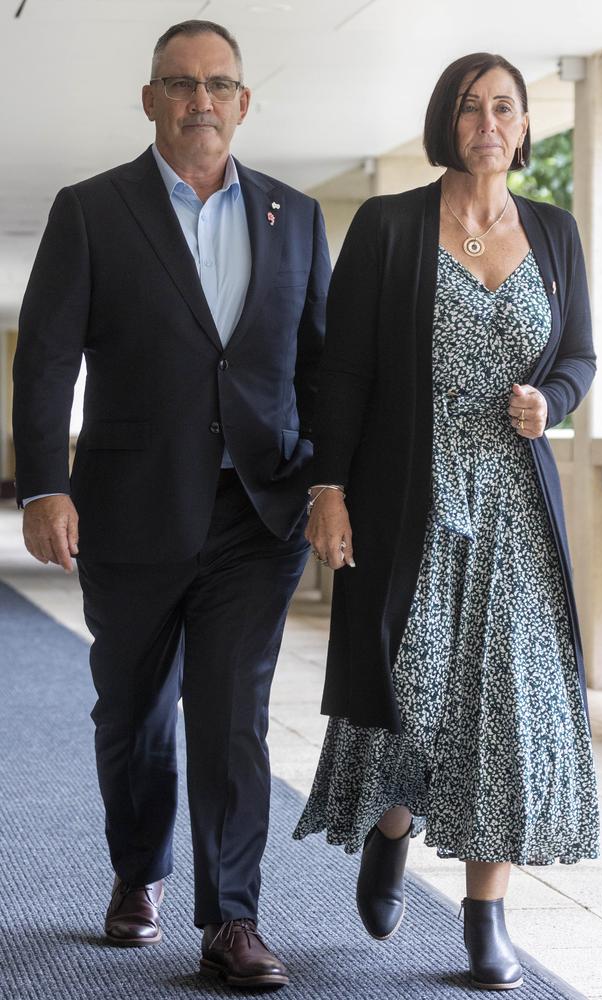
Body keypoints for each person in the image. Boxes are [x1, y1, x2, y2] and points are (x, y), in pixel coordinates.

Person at [13, 19, 329, 989]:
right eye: (180, 83)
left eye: (218, 84)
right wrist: (44, 484)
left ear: (243, 102)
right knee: (133, 714)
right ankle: (137, 867)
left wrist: (327, 481)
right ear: (149, 99)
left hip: (257, 510)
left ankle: (233, 917)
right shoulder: (91, 210)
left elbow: (319, 363)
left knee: (231, 712)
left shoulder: (296, 216)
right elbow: (47, 355)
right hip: (131, 508)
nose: (201, 100)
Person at [294, 52, 599, 991]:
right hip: (407, 496)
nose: (490, 122)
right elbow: (340, 372)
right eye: (471, 107)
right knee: (410, 688)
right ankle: (392, 827)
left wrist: (552, 399)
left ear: (523, 125)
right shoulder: (389, 226)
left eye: (505, 107)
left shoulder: (552, 230)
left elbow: (581, 357)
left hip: (514, 506)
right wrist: (330, 489)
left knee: (505, 705)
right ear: (448, 121)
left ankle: (485, 916)